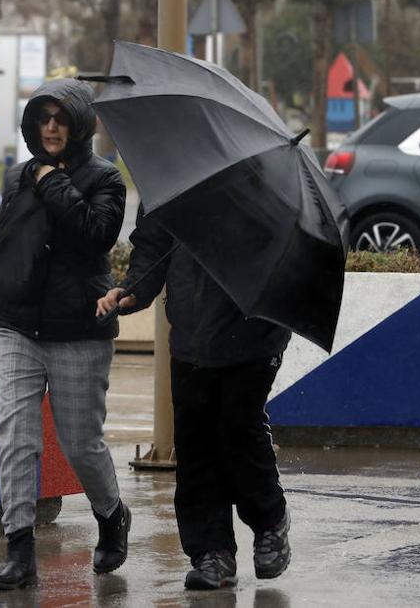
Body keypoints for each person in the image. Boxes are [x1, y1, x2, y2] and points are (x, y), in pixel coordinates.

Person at [0, 78, 130, 590]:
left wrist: (51, 182)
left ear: (80, 124)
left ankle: (111, 514)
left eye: (61, 118)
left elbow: (96, 233)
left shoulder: (105, 179)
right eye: (42, 118)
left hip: (78, 329)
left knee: (80, 443)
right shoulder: (18, 176)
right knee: (16, 436)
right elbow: (6, 246)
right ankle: (19, 551)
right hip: (18, 324)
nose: (50, 127)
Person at [97, 213, 292, 591]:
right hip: (192, 332)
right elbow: (153, 242)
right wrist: (135, 289)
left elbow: (286, 248)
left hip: (255, 331)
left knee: (238, 429)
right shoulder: (175, 170)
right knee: (196, 441)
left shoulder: (259, 179)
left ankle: (270, 520)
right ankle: (211, 552)